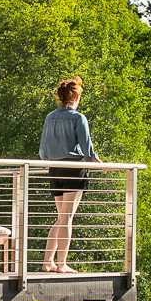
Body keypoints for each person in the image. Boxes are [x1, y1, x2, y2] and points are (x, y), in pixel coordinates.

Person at [39, 75, 98, 273]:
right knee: (67, 217)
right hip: (73, 168)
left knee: (61, 216)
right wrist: (97, 162)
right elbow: (87, 149)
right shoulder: (78, 118)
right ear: (75, 97)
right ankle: (62, 263)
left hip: (54, 168)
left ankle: (48, 261)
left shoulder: (50, 117)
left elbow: (43, 150)